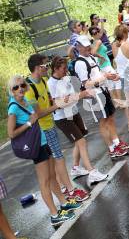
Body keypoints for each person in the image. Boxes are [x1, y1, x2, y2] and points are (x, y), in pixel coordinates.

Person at [7, 75, 81, 226]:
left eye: (22, 85)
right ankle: (54, 215)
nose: (20, 89)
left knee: (53, 175)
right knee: (44, 181)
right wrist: (29, 122)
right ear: (11, 91)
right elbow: (11, 133)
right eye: (16, 87)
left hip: (43, 141)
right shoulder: (13, 107)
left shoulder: (25, 101)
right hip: (36, 146)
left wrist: (58, 103)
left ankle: (64, 204)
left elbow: (39, 113)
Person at [25, 54, 90, 202]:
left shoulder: (42, 81)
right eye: (45, 66)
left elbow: (49, 102)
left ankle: (63, 190)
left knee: (55, 160)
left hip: (50, 125)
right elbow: (38, 114)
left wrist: (60, 101)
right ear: (37, 67)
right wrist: (58, 105)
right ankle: (71, 191)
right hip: (41, 130)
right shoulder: (29, 88)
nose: (47, 68)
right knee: (58, 159)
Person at [48, 57, 108, 185]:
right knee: (81, 142)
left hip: (74, 112)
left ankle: (75, 167)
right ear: (56, 69)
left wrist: (82, 94)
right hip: (63, 118)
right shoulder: (51, 84)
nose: (66, 71)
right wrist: (80, 95)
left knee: (79, 140)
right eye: (64, 68)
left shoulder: (66, 78)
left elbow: (72, 95)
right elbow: (59, 103)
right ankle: (91, 172)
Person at [74, 35, 129, 158]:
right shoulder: (79, 63)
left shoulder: (90, 57)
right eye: (84, 46)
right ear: (78, 47)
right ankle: (112, 148)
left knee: (110, 117)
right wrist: (103, 78)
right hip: (95, 95)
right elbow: (86, 84)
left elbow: (98, 73)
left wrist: (109, 76)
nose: (88, 47)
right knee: (103, 121)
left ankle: (117, 143)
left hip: (103, 90)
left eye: (88, 44)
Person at [112, 25, 129, 134]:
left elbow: (117, 63)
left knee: (128, 102)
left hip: (122, 78)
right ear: (125, 34)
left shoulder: (114, 46)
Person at [89, 26, 122, 97]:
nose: (97, 33)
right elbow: (93, 52)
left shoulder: (94, 42)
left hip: (103, 65)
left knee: (110, 84)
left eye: (97, 31)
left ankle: (116, 103)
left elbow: (92, 52)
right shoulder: (98, 41)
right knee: (117, 81)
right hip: (105, 65)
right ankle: (120, 102)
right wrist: (101, 56)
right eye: (94, 33)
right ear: (92, 35)